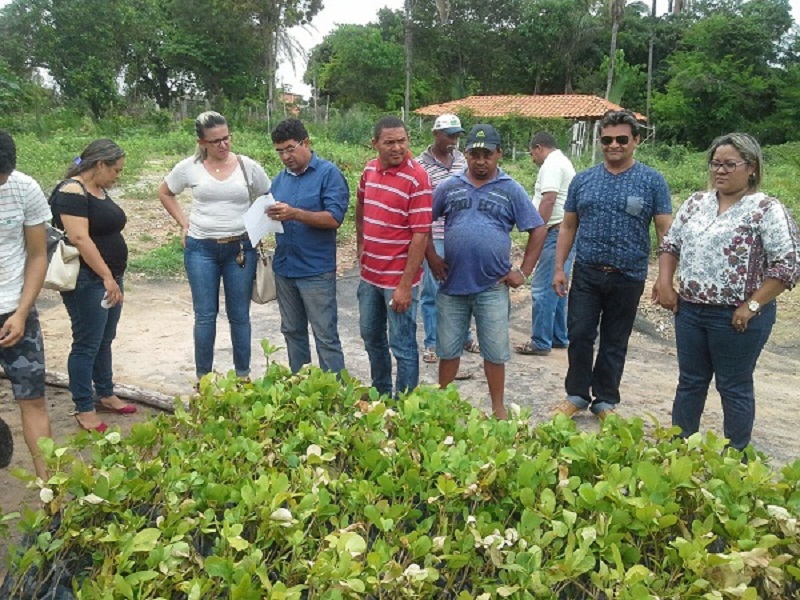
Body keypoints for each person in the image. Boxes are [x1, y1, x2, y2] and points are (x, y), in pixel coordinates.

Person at [655, 133, 800, 451]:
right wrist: (665, 282)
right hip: (690, 311)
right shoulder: (696, 203)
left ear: (751, 167)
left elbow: (787, 265)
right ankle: (679, 450)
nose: (720, 170)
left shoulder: (765, 209)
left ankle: (735, 460)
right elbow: (671, 244)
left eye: (729, 164)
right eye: (715, 163)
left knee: (733, 386)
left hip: (737, 318)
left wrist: (752, 304)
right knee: (690, 383)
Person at [552, 110, 673, 420]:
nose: (614, 145)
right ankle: (577, 395)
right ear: (600, 141)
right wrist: (559, 267)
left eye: (621, 139)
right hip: (587, 273)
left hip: (628, 275)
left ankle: (605, 400)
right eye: (607, 140)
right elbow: (567, 227)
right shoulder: (584, 180)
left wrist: (664, 277)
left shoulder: (652, 181)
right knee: (579, 334)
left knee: (614, 340)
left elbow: (664, 231)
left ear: (636, 140)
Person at [430, 124, 546, 419]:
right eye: (474, 154)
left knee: (494, 352)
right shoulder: (450, 186)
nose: (480, 161)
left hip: (492, 287)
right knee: (448, 350)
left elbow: (537, 228)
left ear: (499, 155)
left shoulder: (511, 189)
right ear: (465, 154)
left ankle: (498, 409)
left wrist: (524, 271)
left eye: (487, 155)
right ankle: (442, 407)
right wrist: (431, 256)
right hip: (452, 285)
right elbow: (421, 222)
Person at [159, 111, 270, 384]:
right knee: (205, 315)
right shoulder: (189, 167)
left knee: (239, 315)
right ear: (202, 142)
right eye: (215, 141)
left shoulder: (248, 166)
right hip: (201, 249)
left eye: (227, 138)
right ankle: (203, 379)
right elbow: (165, 192)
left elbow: (266, 195)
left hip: (240, 250)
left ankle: (243, 377)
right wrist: (183, 223)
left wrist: (256, 229)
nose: (223, 145)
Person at [50, 139, 136, 433]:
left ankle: (105, 392)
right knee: (87, 342)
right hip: (89, 279)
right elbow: (80, 238)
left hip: (108, 276)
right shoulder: (71, 192)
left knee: (104, 338)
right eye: (115, 170)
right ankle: (84, 406)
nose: (118, 177)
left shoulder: (97, 189)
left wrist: (112, 276)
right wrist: (106, 276)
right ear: (100, 164)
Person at [356, 115, 432, 396]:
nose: (397, 148)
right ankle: (381, 393)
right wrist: (361, 246)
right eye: (389, 142)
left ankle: (405, 404)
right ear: (375, 143)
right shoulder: (369, 171)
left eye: (402, 141)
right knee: (371, 337)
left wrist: (404, 286)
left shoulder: (417, 178)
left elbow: (421, 235)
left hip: (397, 279)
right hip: (369, 276)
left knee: (403, 346)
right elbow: (361, 206)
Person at [267, 118, 348, 374]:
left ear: (306, 143)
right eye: (280, 151)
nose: (285, 156)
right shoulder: (279, 180)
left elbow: (334, 218)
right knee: (292, 332)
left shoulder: (328, 174)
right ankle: (301, 390)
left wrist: (295, 214)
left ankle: (334, 395)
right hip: (284, 268)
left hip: (315, 271)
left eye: (290, 148)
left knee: (325, 336)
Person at [0, 130, 52, 478]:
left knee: (32, 399)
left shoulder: (24, 188)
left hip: (14, 310)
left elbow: (37, 255)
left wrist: (21, 312)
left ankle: (52, 497)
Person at [416, 114, 478, 366]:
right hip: (434, 233)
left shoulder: (462, 161)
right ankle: (432, 343)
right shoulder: (421, 164)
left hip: (459, 232)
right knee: (433, 289)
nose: (453, 140)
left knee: (462, 287)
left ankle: (464, 336)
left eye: (457, 135)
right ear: (435, 135)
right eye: (449, 135)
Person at [515, 132, 576, 356]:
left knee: (541, 288)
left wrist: (537, 229)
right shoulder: (562, 161)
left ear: (539, 148)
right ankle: (558, 336)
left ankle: (540, 340)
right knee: (556, 286)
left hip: (555, 231)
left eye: (532, 153)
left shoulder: (551, 165)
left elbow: (549, 198)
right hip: (564, 230)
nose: (532, 158)